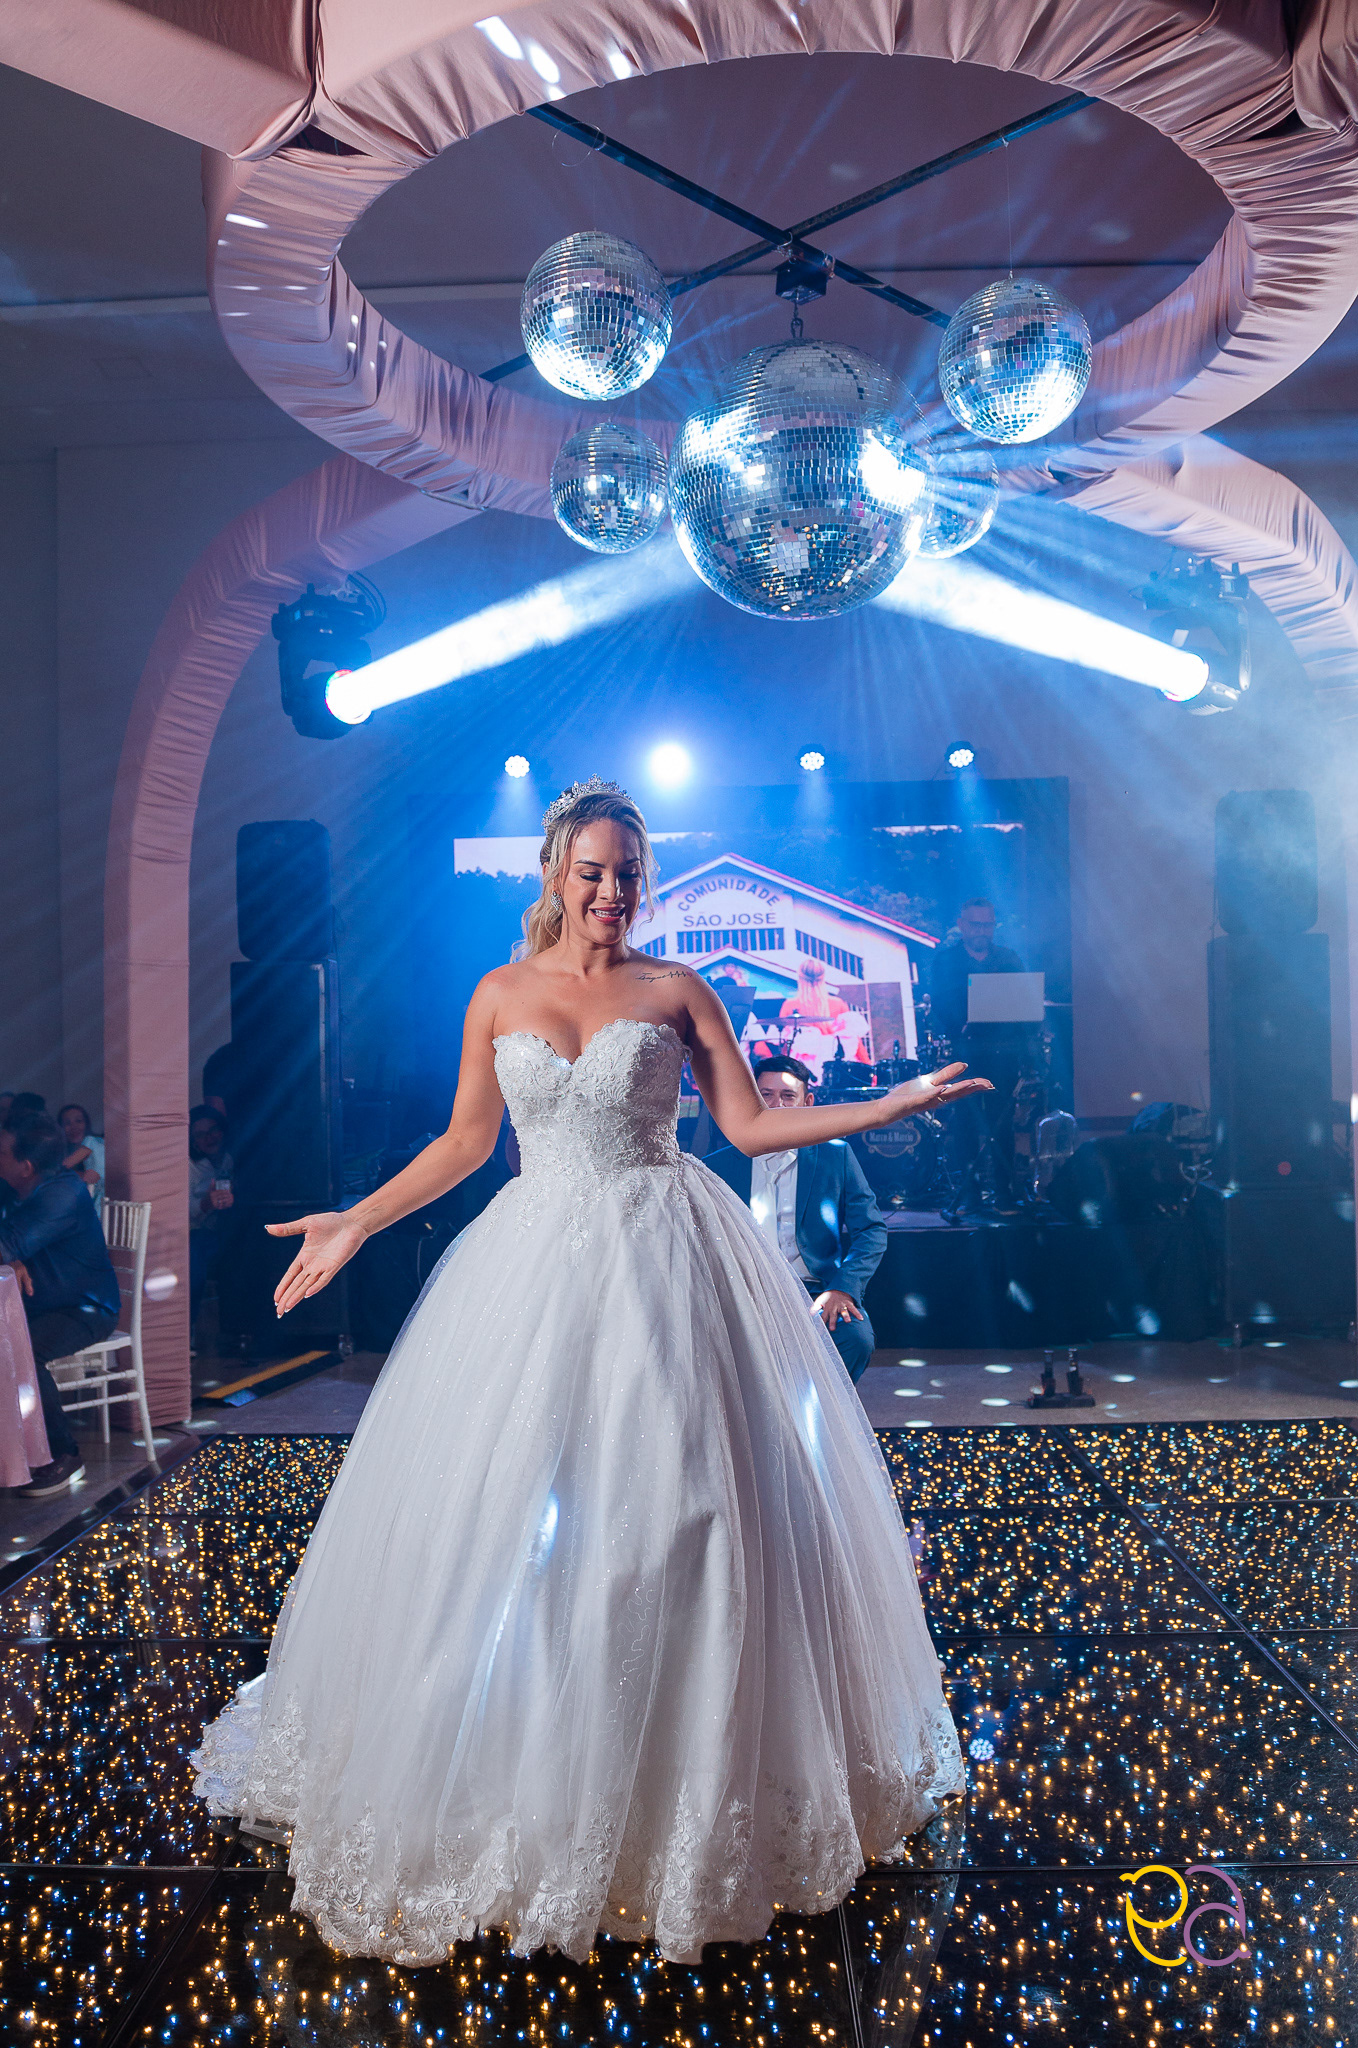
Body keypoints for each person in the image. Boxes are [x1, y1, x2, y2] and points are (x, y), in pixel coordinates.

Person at [191, 778, 990, 1967]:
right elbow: (466, 1142)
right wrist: (355, 1219)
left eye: (627, 873)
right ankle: (511, 1767)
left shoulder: (676, 990)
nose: (611, 891)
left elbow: (750, 1127)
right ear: (556, 875)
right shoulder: (500, 992)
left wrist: (885, 1104)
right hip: (529, 1267)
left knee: (685, 1511)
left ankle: (680, 1787)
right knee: (502, 1513)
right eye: (592, 871)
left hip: (665, 1262)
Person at [705, 1055, 886, 1384]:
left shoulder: (836, 1154)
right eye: (766, 1095)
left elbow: (871, 1230)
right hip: (742, 1291)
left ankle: (819, 1417)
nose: (777, 1105)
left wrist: (843, 1289)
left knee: (855, 1339)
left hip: (815, 1290)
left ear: (808, 1102)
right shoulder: (717, 1165)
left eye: (788, 1096)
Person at [0, 1111, 123, 1498]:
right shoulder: (15, 1185)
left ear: (26, 1166)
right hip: (36, 1304)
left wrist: (11, 1255)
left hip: (84, 1309)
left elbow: (7, 1244)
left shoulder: (62, 1194)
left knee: (23, 1352)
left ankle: (64, 1454)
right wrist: (13, 1260)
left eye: (1, 1152)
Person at [928, 897, 1027, 1213]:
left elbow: (1023, 1000)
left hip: (1004, 1053)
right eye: (975, 924)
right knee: (965, 1125)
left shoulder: (1009, 959)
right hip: (963, 1054)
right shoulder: (945, 962)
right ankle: (970, 1195)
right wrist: (962, 1023)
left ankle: (1004, 1192)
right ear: (962, 925)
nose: (982, 930)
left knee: (1002, 1124)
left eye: (987, 925)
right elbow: (939, 1006)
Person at [189, 1106, 234, 1337]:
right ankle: (188, 1332)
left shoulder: (230, 1159)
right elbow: (182, 1209)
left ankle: (238, 1330)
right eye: (200, 1134)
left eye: (213, 1130)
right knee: (194, 1258)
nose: (209, 1137)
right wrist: (206, 1204)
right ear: (193, 1142)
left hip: (225, 1230)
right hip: (193, 1232)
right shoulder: (188, 1165)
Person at [58, 1104, 104, 1207]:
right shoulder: (58, 1153)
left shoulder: (93, 1143)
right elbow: (57, 1171)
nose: (74, 1127)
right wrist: (81, 1175)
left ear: (86, 1124)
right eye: (67, 1123)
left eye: (78, 1121)